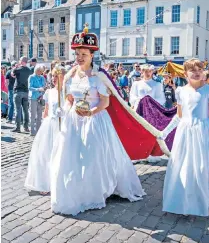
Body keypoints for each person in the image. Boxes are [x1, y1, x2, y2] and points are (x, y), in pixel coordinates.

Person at [49, 27, 145, 215]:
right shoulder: (70, 76)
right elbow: (69, 99)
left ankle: (95, 190)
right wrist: (64, 109)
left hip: (94, 121)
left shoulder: (98, 76)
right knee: (72, 157)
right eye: (77, 54)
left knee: (93, 157)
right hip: (74, 122)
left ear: (92, 55)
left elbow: (106, 102)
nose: (80, 57)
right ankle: (76, 190)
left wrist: (91, 112)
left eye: (84, 54)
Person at [159, 58, 209, 216]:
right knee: (185, 166)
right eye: (193, 70)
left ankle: (205, 198)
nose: (198, 73)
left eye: (200, 70)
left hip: (202, 131)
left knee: (203, 167)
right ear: (185, 74)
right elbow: (179, 116)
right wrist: (165, 131)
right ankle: (185, 199)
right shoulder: (180, 91)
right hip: (185, 133)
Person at [25, 66, 65, 195]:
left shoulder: (67, 92)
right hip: (50, 124)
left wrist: (64, 113)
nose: (53, 79)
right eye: (52, 76)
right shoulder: (49, 92)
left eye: (56, 76)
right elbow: (46, 111)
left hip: (63, 125)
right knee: (46, 153)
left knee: (60, 153)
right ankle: (46, 182)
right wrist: (44, 124)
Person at [11, 56, 32, 133]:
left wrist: (15, 67)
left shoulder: (18, 69)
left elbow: (12, 74)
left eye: (19, 60)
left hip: (18, 91)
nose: (19, 61)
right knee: (25, 110)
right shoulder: (29, 70)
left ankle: (18, 127)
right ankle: (26, 127)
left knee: (18, 110)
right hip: (26, 92)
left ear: (22, 61)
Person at [28, 64, 46, 136]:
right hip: (33, 98)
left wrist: (43, 90)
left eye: (41, 71)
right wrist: (37, 89)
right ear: (36, 70)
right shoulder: (31, 77)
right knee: (33, 115)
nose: (40, 72)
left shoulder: (42, 77)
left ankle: (38, 131)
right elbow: (29, 87)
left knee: (39, 115)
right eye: (38, 71)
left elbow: (44, 86)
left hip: (40, 98)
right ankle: (32, 131)